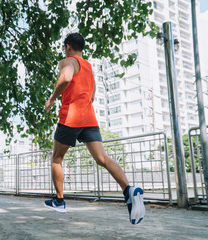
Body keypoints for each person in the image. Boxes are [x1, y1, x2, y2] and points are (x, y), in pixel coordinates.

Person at [44, 33, 145, 224]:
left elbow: (65, 79)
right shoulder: (88, 67)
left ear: (68, 47)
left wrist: (52, 98)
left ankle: (59, 201)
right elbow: (92, 94)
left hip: (71, 117)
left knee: (57, 159)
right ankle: (128, 191)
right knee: (102, 158)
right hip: (89, 118)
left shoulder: (67, 62)